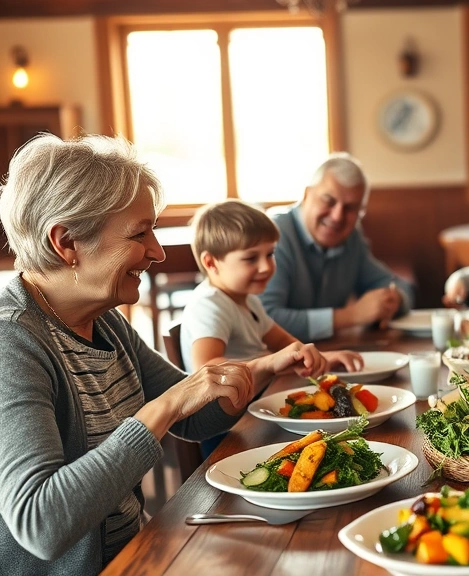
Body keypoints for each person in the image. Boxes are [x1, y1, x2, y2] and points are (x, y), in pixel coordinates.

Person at [0, 134, 327, 574]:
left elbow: (194, 417)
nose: (156, 251)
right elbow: (41, 523)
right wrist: (165, 407)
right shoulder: (13, 343)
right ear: (67, 242)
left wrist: (261, 369)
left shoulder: (104, 321)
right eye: (139, 233)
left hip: (141, 550)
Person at [180, 200, 365, 456]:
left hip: (256, 412)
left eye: (270, 253)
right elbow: (208, 368)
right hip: (227, 433)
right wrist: (270, 362)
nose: (266, 266)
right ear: (211, 263)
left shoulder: (248, 300)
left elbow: (287, 346)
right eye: (250, 258)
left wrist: (322, 357)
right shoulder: (210, 305)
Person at [260, 153, 415, 342]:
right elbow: (264, 319)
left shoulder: (351, 237)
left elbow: (397, 284)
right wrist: (352, 316)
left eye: (350, 208)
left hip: (328, 356)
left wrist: (393, 300)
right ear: (307, 195)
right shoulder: (273, 234)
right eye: (329, 201)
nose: (337, 217)